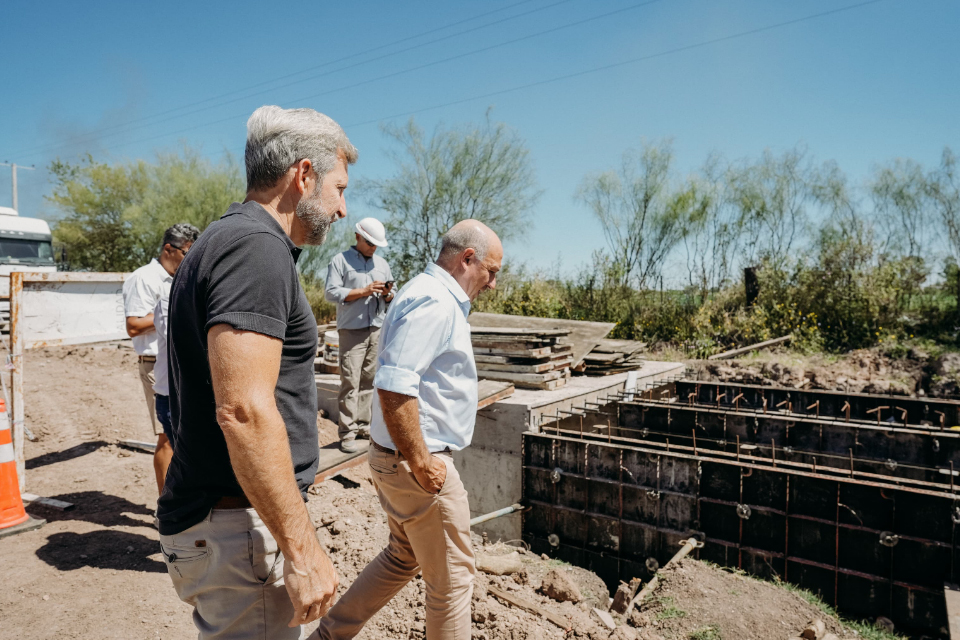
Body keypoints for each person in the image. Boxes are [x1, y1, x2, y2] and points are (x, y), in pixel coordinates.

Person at [157, 105, 357, 640]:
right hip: (235, 528)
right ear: (304, 174)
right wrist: (302, 549)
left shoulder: (226, 240)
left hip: (223, 524)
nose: (343, 209)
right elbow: (243, 410)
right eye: (339, 188)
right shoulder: (257, 249)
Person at [314, 220, 502, 640]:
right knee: (452, 585)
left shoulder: (426, 292)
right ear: (467, 259)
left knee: (403, 557)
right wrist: (421, 461)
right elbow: (395, 383)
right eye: (491, 271)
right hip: (416, 462)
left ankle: (329, 636)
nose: (492, 283)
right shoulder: (435, 301)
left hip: (396, 457)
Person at [122, 223, 199, 494]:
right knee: (166, 437)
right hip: (156, 364)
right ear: (169, 249)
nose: (189, 260)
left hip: (173, 362)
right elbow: (133, 325)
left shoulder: (175, 279)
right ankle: (166, 505)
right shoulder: (144, 278)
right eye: (186, 253)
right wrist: (171, 313)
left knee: (178, 435)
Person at [324, 217, 395, 453]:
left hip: (376, 328)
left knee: (368, 381)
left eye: (376, 244)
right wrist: (363, 291)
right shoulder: (340, 261)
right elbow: (331, 292)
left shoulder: (383, 264)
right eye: (370, 243)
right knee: (350, 383)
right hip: (352, 331)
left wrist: (387, 294)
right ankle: (347, 433)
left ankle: (364, 426)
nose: (373, 248)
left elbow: (391, 296)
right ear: (357, 237)